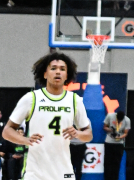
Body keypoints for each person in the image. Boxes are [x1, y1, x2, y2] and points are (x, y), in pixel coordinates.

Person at [3, 52, 92, 180]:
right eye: (53, 68)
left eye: (62, 69)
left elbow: (88, 134)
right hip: (35, 172)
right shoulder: (31, 98)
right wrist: (25, 140)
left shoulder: (74, 100)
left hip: (63, 171)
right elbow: (7, 131)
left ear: (67, 75)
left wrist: (77, 133)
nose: (58, 72)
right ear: (45, 74)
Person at [103, 108, 131, 180]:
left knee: (116, 163)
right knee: (107, 163)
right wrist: (111, 130)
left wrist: (119, 137)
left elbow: (125, 133)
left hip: (119, 144)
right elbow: (104, 127)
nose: (118, 121)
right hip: (109, 142)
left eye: (120, 120)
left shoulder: (127, 120)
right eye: (118, 119)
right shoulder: (110, 116)